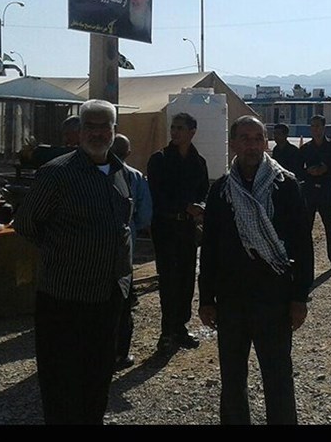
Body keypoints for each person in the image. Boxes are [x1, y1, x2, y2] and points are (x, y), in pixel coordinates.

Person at [13, 99, 133, 424]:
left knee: (98, 379)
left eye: (104, 126)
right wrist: (65, 251)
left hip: (107, 297)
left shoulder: (121, 173)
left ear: (114, 130)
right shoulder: (57, 173)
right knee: (62, 383)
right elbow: (26, 224)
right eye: (90, 126)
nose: (97, 133)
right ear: (79, 131)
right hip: (64, 297)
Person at [198, 116, 313, 424]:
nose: (251, 145)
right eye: (244, 138)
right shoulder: (221, 190)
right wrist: (206, 298)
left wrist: (299, 297)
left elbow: (302, 245)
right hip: (231, 300)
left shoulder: (285, 186)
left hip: (274, 299)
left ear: (265, 143)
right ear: (233, 144)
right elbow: (209, 248)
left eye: (257, 138)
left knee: (278, 377)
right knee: (232, 378)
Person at [147, 112, 209, 352]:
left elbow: (203, 191)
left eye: (180, 128)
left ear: (192, 132)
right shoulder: (160, 160)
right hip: (166, 226)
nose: (174, 132)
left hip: (187, 228)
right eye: (173, 127)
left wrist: (200, 207)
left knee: (186, 278)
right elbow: (157, 194)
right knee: (169, 279)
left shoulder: (198, 161)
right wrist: (184, 206)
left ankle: (180, 327)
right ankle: (167, 332)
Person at [110, 134, 152, 371]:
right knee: (123, 298)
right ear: (128, 153)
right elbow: (145, 215)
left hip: (96, 249)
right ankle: (120, 354)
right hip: (126, 242)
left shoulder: (93, 174)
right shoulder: (135, 177)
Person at [298, 115, 331, 273]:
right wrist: (308, 171)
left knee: (330, 226)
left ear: (324, 127)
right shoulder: (306, 148)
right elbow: (298, 170)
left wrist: (326, 169)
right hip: (309, 191)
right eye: (312, 126)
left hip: (326, 190)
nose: (315, 129)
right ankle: (304, 261)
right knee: (306, 227)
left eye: (318, 126)